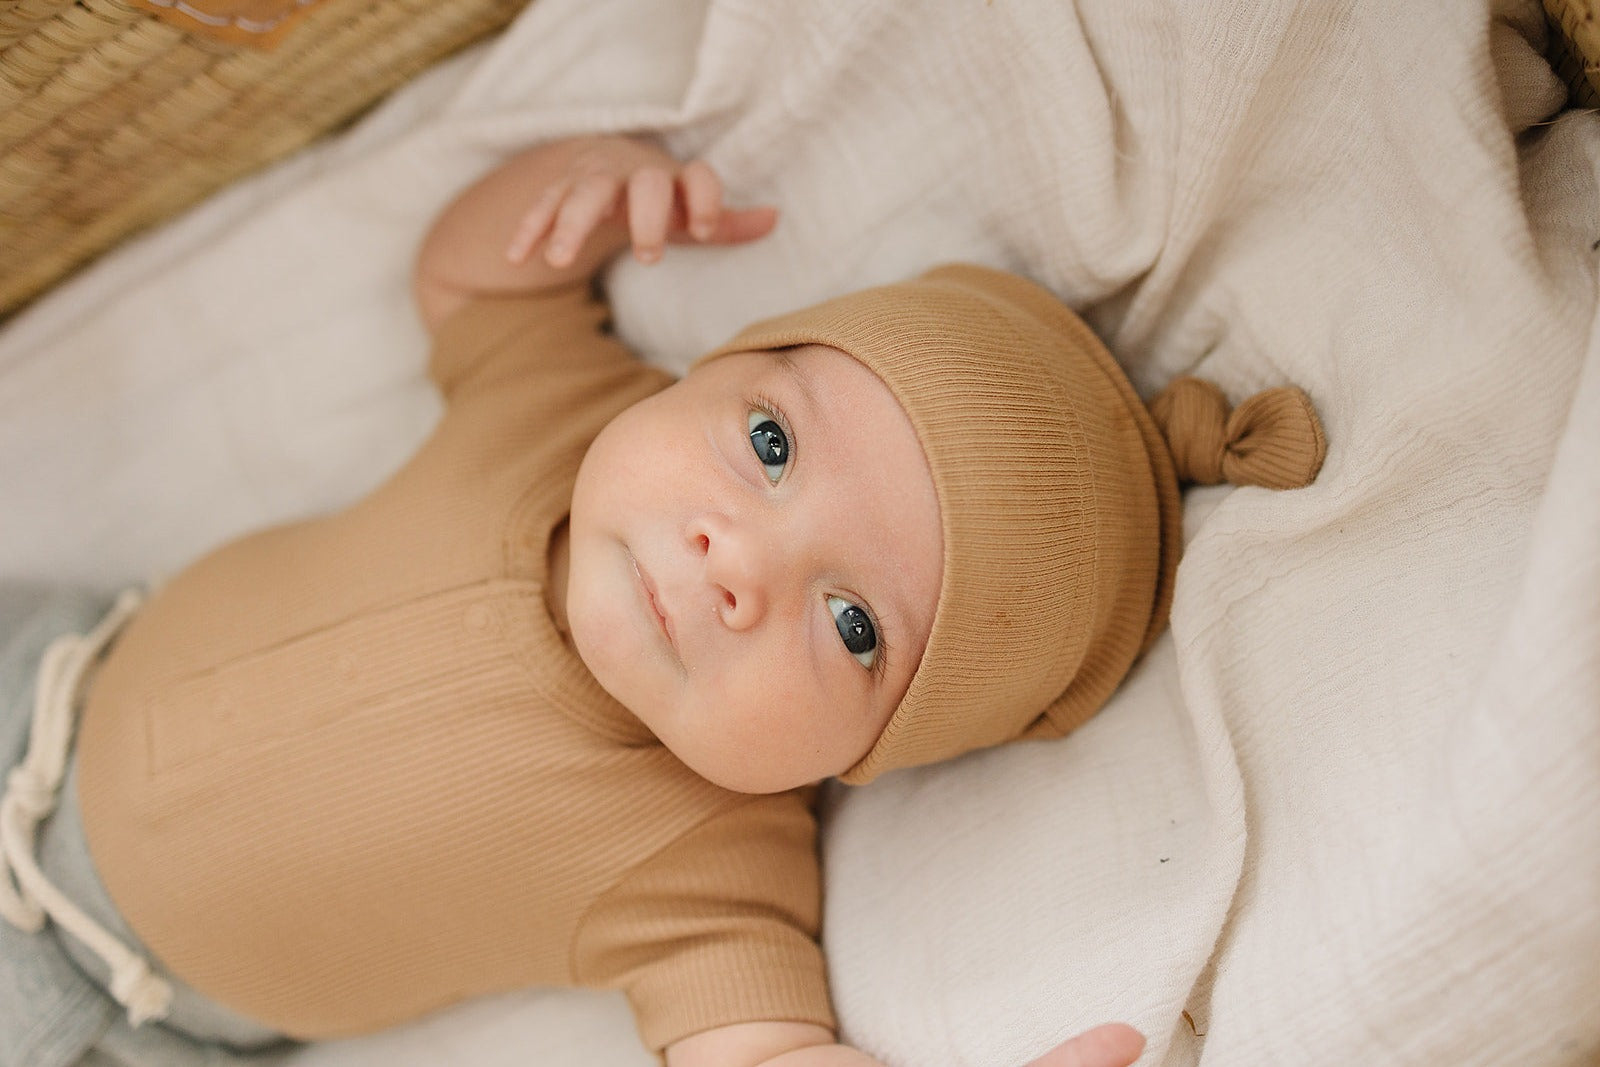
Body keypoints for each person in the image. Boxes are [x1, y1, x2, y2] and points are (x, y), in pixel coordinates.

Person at [0, 135, 1326, 1067]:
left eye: (852, 625)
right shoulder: (562, 411)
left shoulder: (705, 873)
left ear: (871, 759)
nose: (735, 559)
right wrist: (578, 187)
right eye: (767, 445)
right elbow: (471, 282)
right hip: (52, 666)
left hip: (90, 981)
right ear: (708, 373)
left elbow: (755, 1053)